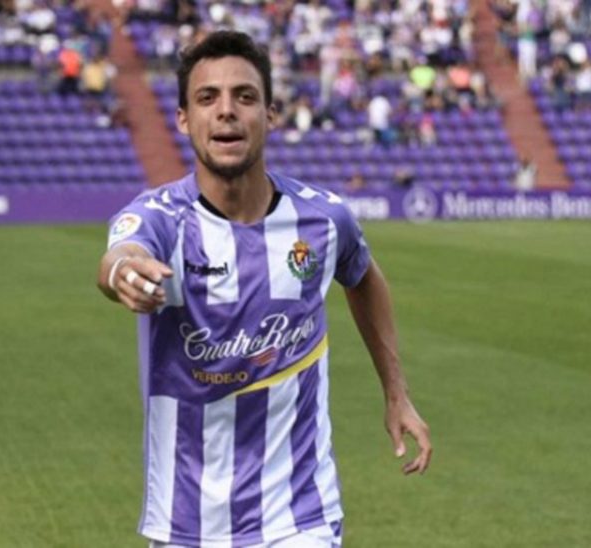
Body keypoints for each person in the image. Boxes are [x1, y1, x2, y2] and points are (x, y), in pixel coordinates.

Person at [95, 31, 432, 548]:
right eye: (207, 98)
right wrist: (124, 272)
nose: (226, 111)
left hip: (299, 516)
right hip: (186, 521)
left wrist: (396, 392)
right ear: (184, 119)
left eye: (245, 96)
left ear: (271, 114)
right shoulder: (158, 217)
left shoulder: (323, 219)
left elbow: (363, 276)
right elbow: (121, 255)